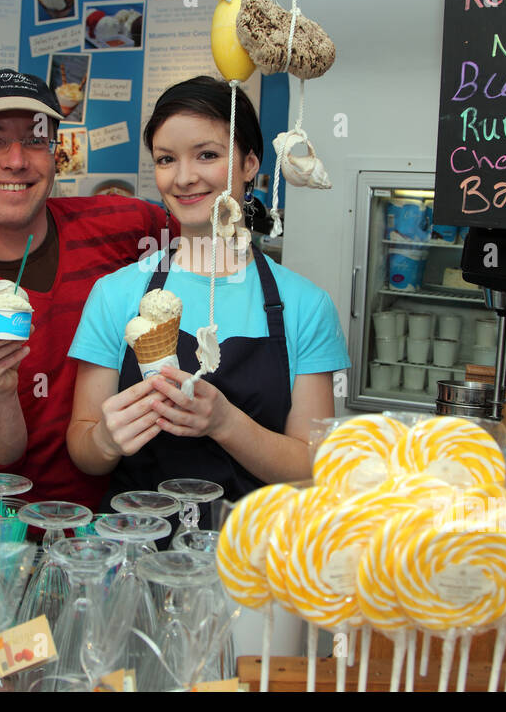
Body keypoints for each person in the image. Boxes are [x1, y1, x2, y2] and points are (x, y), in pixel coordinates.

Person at [0, 69, 171, 510]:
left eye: (36, 139)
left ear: (54, 154)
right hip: (31, 532)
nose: (17, 160)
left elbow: (213, 244)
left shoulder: (125, 226)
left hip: (151, 510)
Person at [66, 76, 350, 505]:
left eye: (207, 155)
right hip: (133, 545)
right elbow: (83, 449)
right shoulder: (114, 293)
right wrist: (105, 439)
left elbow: (313, 471)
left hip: (250, 554)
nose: (183, 177)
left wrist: (225, 423)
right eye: (166, 159)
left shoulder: (305, 305)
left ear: (250, 163)